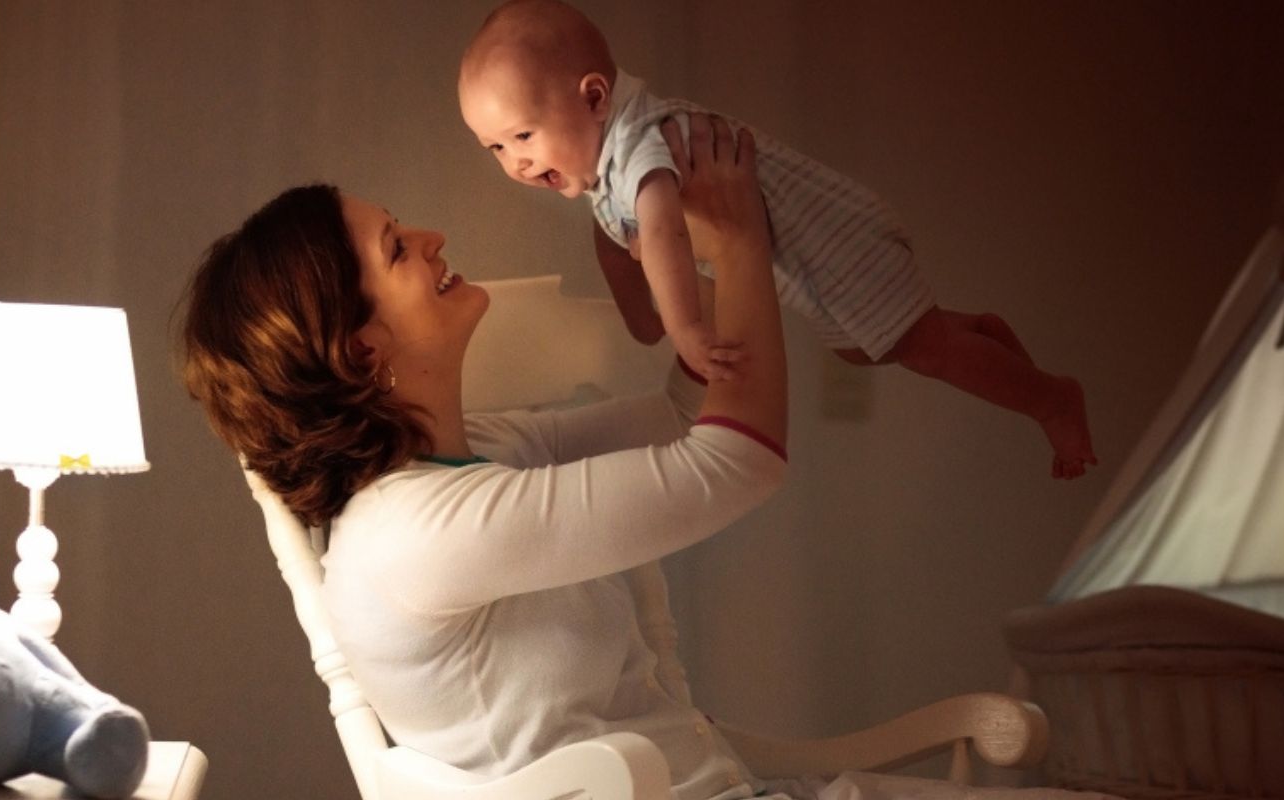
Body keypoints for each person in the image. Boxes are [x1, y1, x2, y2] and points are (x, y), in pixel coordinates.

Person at [180, 117, 1107, 800]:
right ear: (360, 352)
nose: (432, 239)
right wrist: (740, 239)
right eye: (396, 247)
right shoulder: (413, 536)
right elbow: (736, 461)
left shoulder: (476, 456)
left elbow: (684, 413)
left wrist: (685, 264)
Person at [456, 0, 1097, 479]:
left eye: (523, 135)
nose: (513, 162)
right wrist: (638, 316)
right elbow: (613, 236)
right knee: (866, 352)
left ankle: (1052, 399)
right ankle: (981, 334)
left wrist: (681, 328)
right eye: (493, 148)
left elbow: (662, 229)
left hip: (836, 240)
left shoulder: (644, 140)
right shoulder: (607, 168)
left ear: (594, 97)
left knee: (919, 347)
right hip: (810, 260)